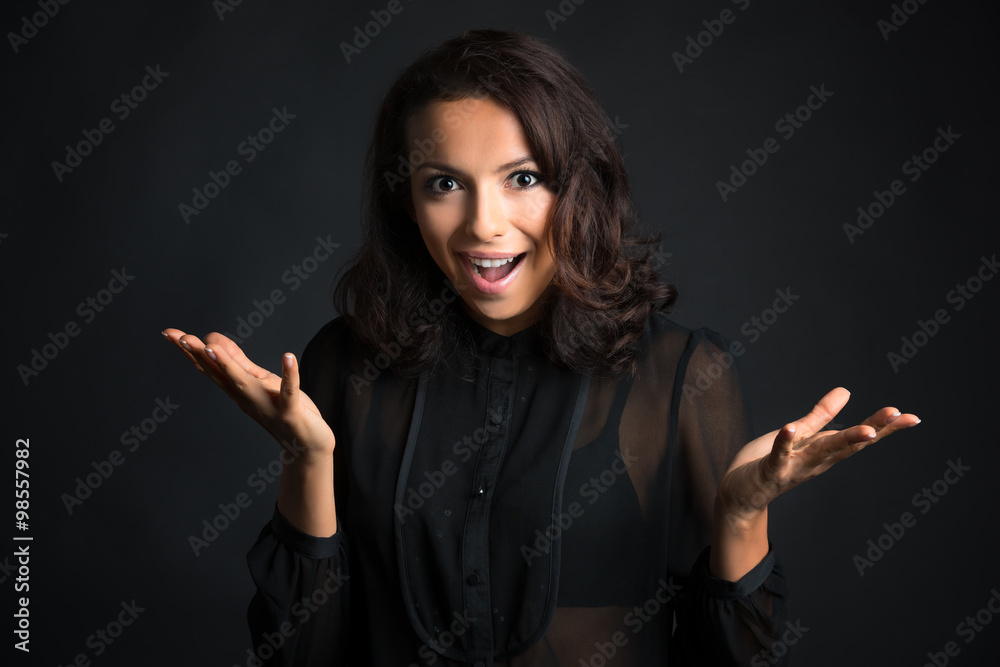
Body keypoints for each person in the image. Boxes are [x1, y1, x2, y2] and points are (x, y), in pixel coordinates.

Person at [162, 29, 919, 666]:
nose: (484, 224)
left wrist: (742, 513)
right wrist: (308, 460)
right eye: (443, 184)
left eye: (523, 177)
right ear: (407, 200)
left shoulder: (682, 376)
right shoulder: (342, 365)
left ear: (578, 186)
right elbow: (299, 657)